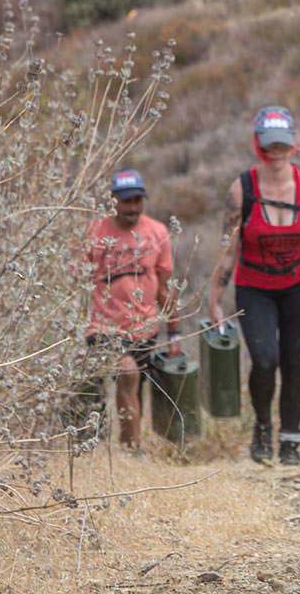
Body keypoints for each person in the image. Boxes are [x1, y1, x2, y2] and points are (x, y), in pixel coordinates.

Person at [207, 106, 300, 466]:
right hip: (254, 288)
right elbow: (227, 250)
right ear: (257, 145)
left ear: (293, 144)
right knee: (265, 360)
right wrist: (214, 301)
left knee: (294, 362)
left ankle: (290, 442)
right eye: (269, 145)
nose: (275, 152)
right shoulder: (242, 190)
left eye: (282, 144)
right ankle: (263, 425)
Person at [81, 168, 182, 453]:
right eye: (126, 201)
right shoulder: (94, 233)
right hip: (103, 328)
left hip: (144, 327)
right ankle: (133, 452)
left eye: (137, 200)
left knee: (137, 386)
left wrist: (174, 334)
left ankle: (130, 449)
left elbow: (165, 288)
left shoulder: (157, 232)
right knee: (127, 373)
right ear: (113, 200)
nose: (132, 207)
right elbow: (75, 286)